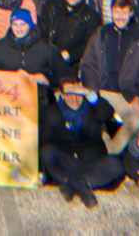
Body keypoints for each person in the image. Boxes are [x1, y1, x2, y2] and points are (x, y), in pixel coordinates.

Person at [80, 0, 139, 154]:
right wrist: (92, 89)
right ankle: (97, 146)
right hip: (101, 90)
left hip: (126, 94)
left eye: (124, 13)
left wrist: (138, 96)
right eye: (116, 12)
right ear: (111, 13)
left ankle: (109, 152)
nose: (120, 17)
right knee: (86, 114)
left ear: (131, 13)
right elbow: (88, 64)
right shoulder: (101, 33)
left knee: (137, 121)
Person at [39, 78, 124, 209]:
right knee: (47, 152)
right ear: (61, 95)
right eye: (69, 94)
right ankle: (80, 186)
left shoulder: (92, 107)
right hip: (68, 163)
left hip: (92, 163)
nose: (74, 99)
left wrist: (91, 96)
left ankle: (75, 185)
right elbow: (47, 142)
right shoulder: (53, 112)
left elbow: (107, 114)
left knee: (116, 164)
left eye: (78, 94)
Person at [0, 8, 69, 111]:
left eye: (23, 24)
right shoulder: (0, 47)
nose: (19, 29)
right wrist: (12, 78)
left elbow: (65, 74)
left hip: (39, 98)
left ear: (30, 25)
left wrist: (48, 80)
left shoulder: (45, 47)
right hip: (7, 98)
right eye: (15, 24)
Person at [40, 0, 100, 76]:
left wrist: (68, 55)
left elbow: (87, 45)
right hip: (46, 60)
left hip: (71, 66)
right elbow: (42, 32)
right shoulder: (51, 7)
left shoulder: (92, 17)